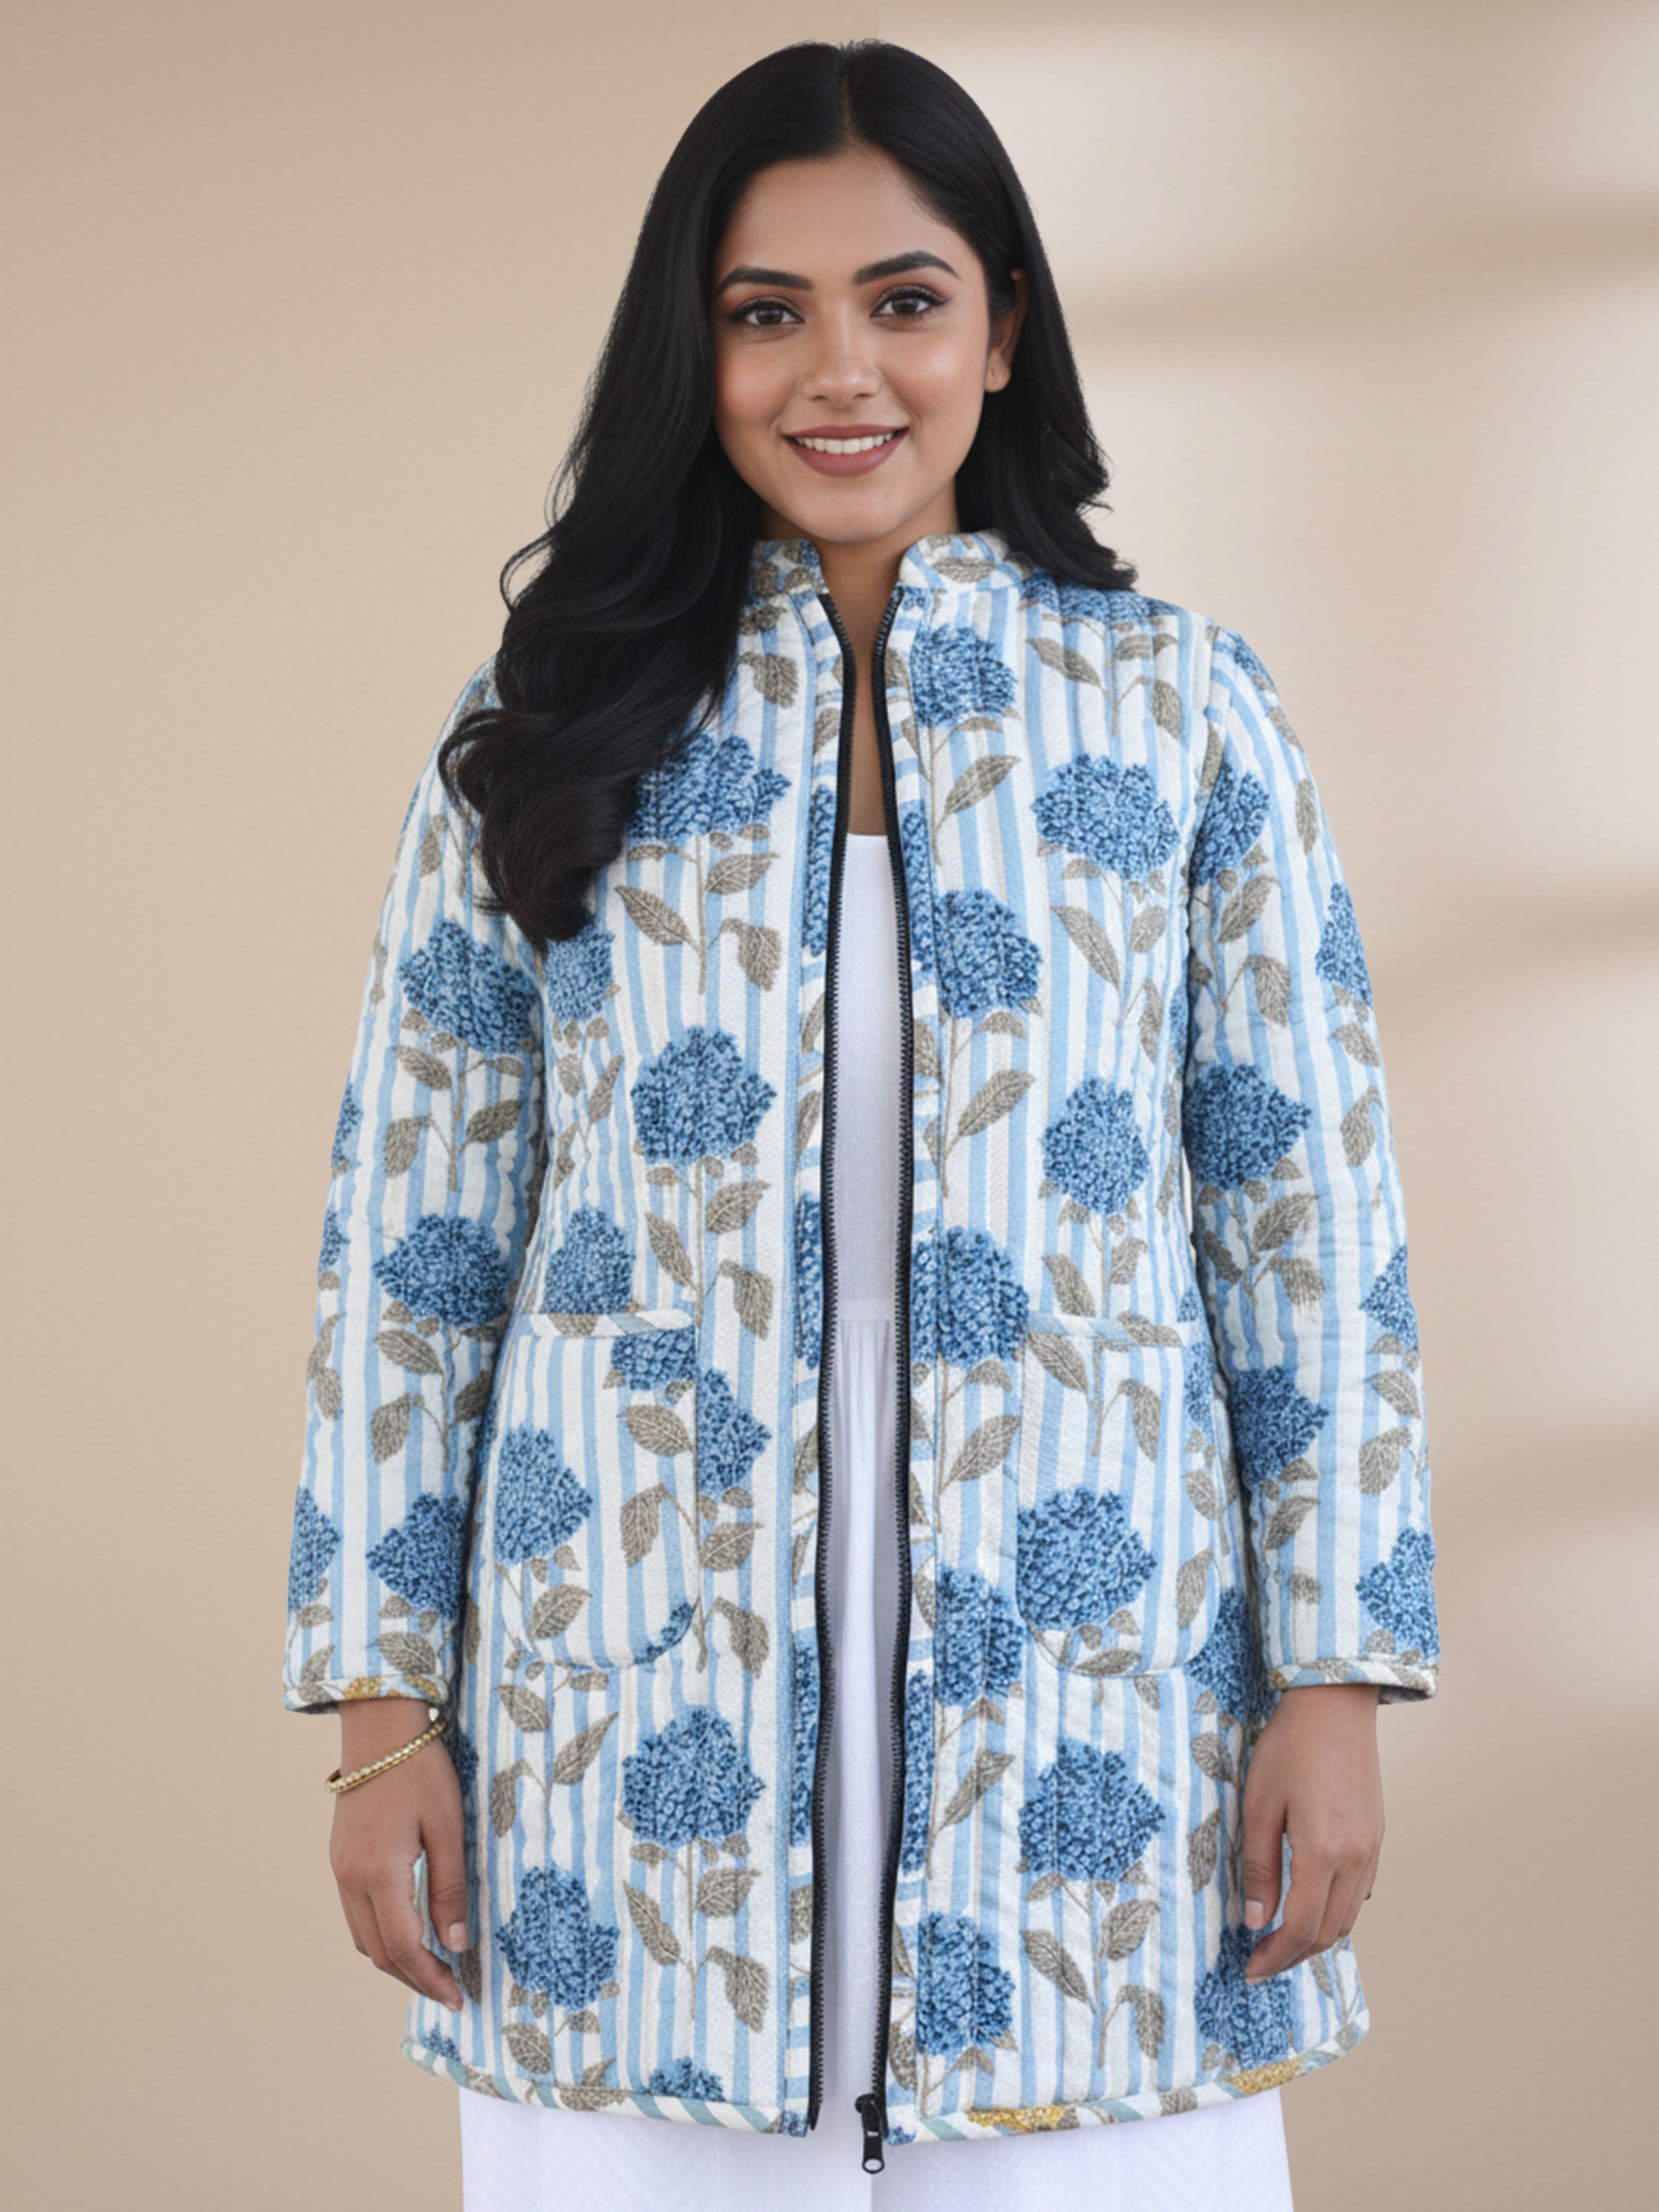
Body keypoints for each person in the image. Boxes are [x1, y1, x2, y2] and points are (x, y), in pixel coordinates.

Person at [283, 38, 1439, 2212]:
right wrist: (380, 1714)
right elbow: (412, 1249)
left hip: (1100, 1733)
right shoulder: (542, 734)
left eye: (904, 301)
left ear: (1000, 331)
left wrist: (1339, 1679)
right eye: (766, 311)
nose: (841, 372)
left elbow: (1308, 1214)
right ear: (693, 348)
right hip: (626, 1747)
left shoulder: (1183, 713)